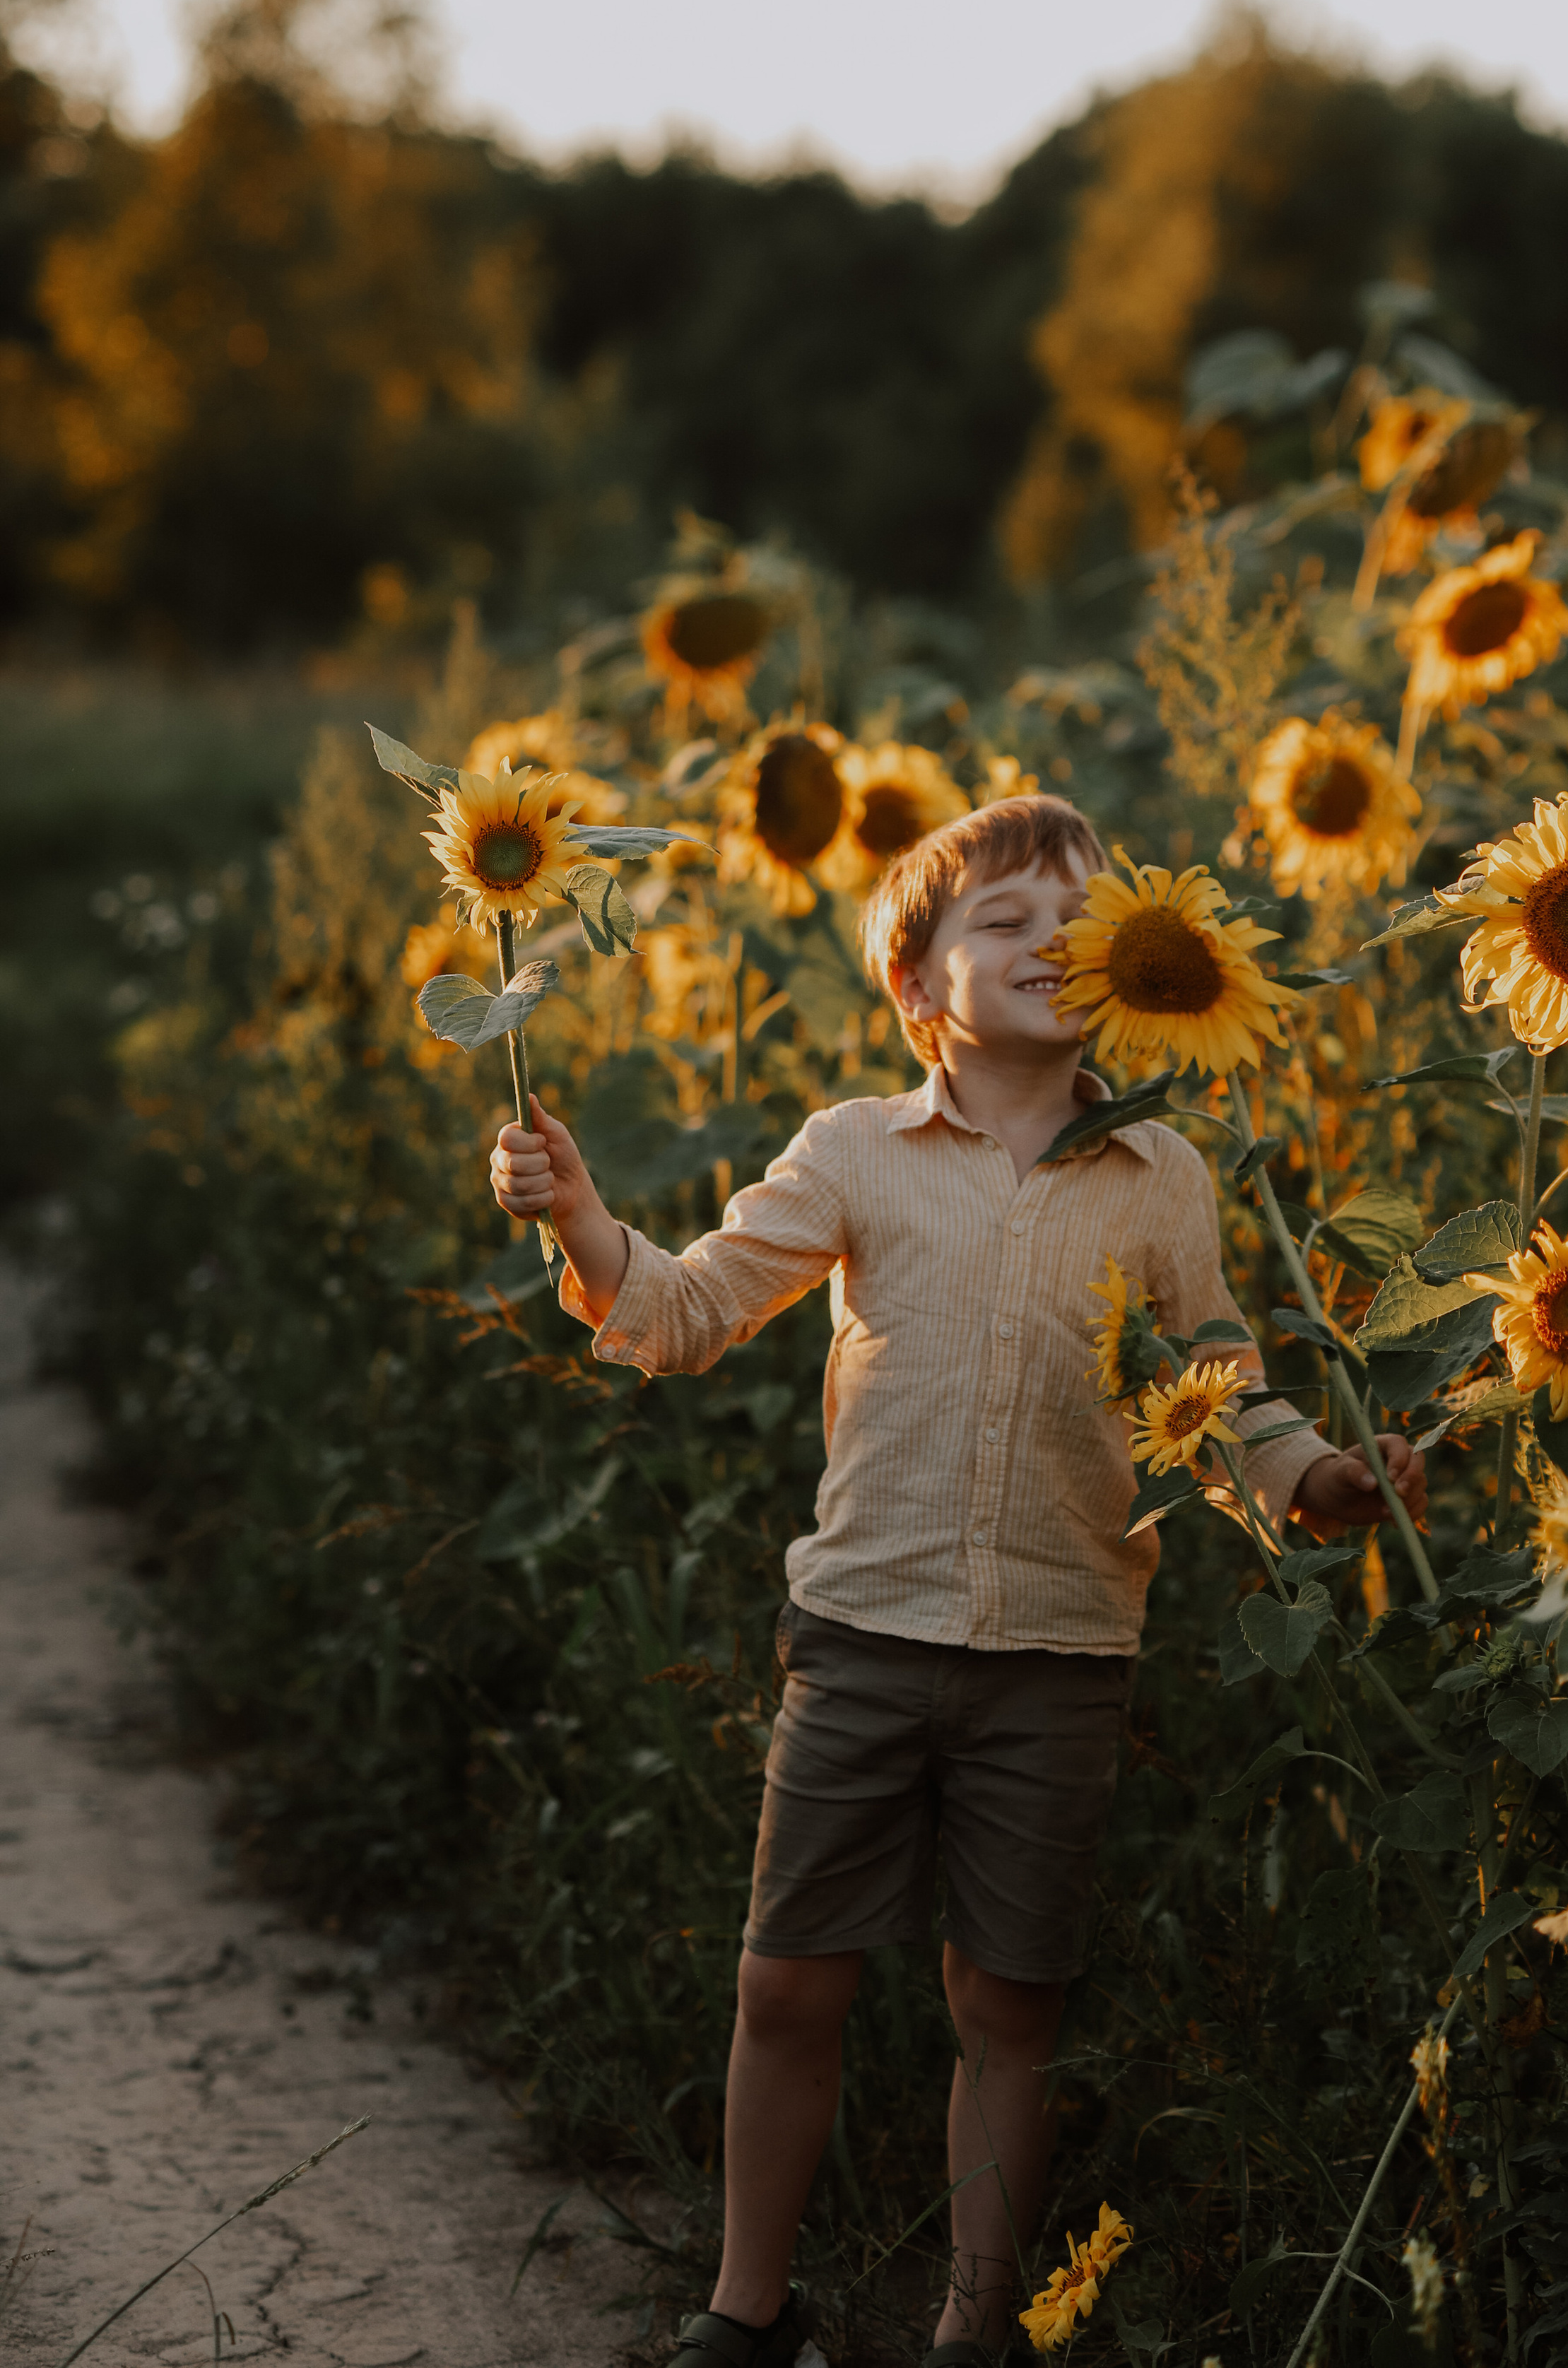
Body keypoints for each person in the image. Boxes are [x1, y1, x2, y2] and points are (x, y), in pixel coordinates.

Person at [488, 795, 1425, 2368]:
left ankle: (973, 2324)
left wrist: (1317, 1481)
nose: (1051, 941)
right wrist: (584, 1220)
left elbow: (1217, 1389)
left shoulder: (1160, 1173)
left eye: (1079, 918)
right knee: (788, 1983)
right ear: (915, 985)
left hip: (1062, 1648)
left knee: (1007, 2007)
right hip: (860, 1633)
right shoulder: (855, 1151)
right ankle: (746, 2306)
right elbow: (691, 1307)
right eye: (1003, 923)